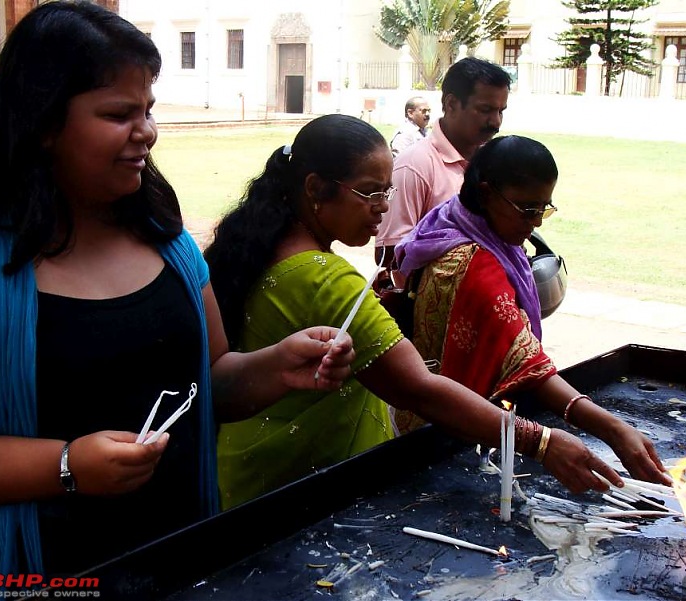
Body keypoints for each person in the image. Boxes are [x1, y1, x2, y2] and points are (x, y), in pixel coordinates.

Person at [0, 1, 355, 586]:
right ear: (44, 123)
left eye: (147, 109)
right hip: (32, 573)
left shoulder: (168, 244)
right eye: (119, 113)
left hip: (182, 560)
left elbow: (209, 379)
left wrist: (278, 367)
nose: (146, 131)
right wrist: (66, 466)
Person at [204, 113, 647, 513]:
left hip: (252, 464)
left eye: (387, 190)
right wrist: (542, 442)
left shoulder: (262, 240)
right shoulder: (325, 277)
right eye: (369, 192)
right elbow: (418, 387)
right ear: (316, 189)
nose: (383, 206)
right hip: (301, 487)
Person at [393, 135, 671, 488]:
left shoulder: (449, 220)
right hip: (448, 432)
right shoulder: (474, 266)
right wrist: (611, 428)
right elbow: (527, 364)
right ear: (487, 193)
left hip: (435, 419)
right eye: (527, 209)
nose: (536, 222)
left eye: (544, 208)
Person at [375, 57, 511, 288]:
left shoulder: (494, 162)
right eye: (485, 110)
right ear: (451, 104)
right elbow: (389, 254)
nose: (496, 122)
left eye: (501, 111)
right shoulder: (413, 166)